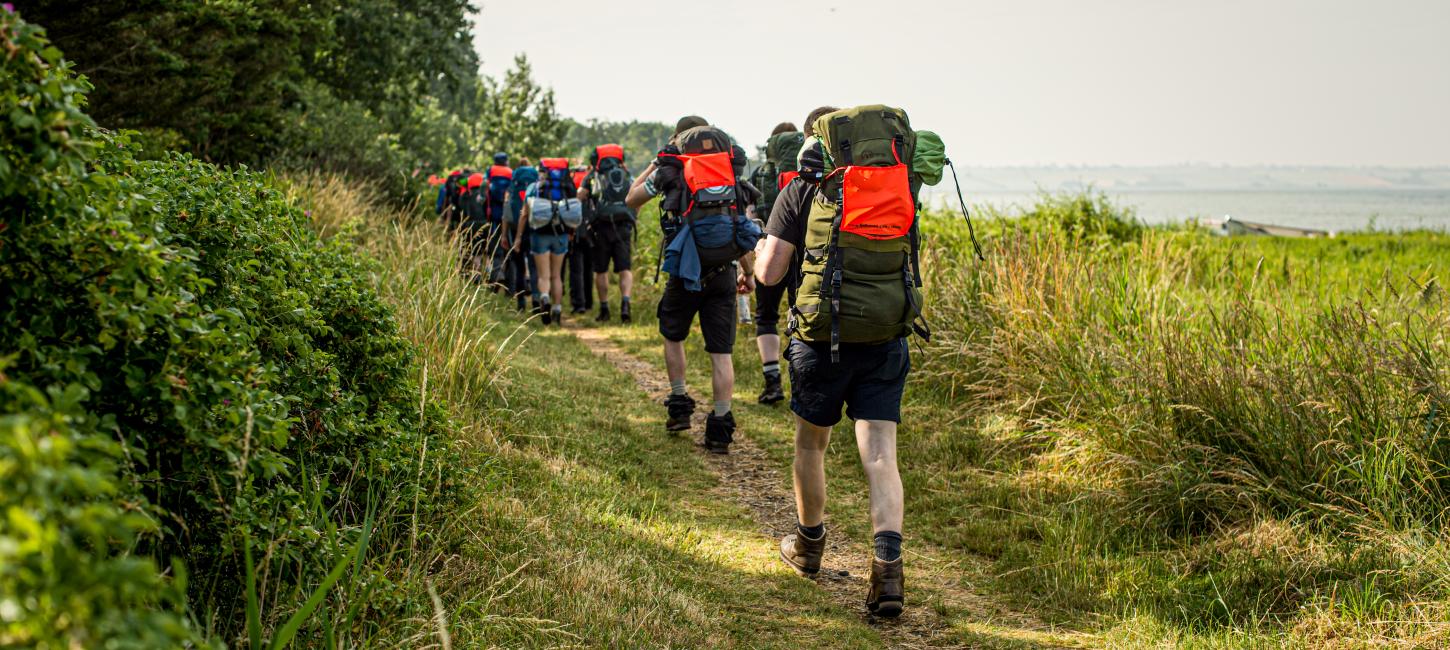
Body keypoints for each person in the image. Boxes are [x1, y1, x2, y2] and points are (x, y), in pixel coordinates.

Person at [754, 105, 926, 618]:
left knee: (812, 443)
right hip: (885, 334)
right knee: (880, 455)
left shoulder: (803, 188)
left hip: (821, 336)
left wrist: (765, 245)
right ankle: (888, 572)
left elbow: (768, 273)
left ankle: (808, 546)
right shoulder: (899, 184)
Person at [625, 116, 761, 454]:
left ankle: (679, 403)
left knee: (673, 336)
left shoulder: (671, 170)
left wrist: (657, 161)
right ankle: (720, 427)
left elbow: (631, 199)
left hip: (686, 273)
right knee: (721, 353)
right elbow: (738, 228)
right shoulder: (728, 172)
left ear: (678, 139)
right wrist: (748, 273)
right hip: (723, 272)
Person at [748, 117, 816, 404]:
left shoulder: (761, 175)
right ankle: (799, 383)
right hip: (805, 258)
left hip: (769, 251)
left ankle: (772, 381)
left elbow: (749, 215)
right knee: (798, 319)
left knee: (765, 316)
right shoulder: (810, 174)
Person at [515, 157, 579, 325]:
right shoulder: (567, 186)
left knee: (543, 275)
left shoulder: (533, 187)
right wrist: (571, 232)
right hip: (561, 235)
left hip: (539, 235)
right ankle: (557, 309)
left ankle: (544, 297)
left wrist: (518, 237)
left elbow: (524, 214)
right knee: (556, 275)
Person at [578, 144, 636, 323]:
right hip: (623, 226)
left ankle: (604, 309)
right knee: (625, 269)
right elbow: (636, 196)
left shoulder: (593, 176)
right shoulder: (626, 175)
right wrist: (633, 216)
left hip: (600, 228)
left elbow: (580, 195)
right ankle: (625, 304)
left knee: (601, 270)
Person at [506, 158, 540, 312]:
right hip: (534, 227)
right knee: (534, 267)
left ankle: (520, 303)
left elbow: (506, 210)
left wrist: (504, 235)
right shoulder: (536, 184)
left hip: (515, 228)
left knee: (519, 267)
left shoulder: (513, 182)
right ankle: (536, 301)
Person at [567, 164, 596, 315]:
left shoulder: (572, 184)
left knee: (576, 270)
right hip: (590, 232)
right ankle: (589, 302)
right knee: (588, 269)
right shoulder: (590, 181)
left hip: (575, 232)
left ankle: (579, 304)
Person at [485, 153, 515, 290]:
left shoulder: (490, 171)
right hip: (508, 215)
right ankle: (510, 282)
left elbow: (485, 189)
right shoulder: (511, 172)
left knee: (495, 247)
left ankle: (496, 277)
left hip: (494, 215)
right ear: (506, 161)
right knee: (509, 246)